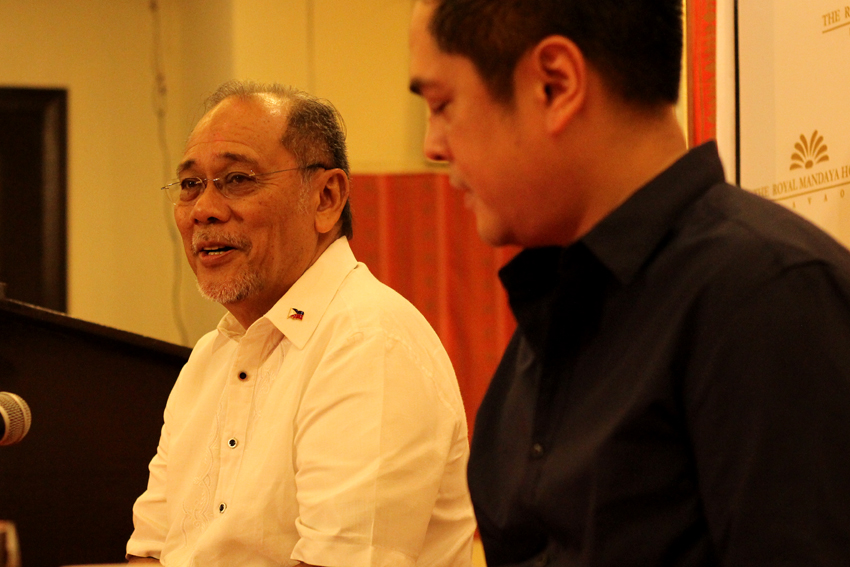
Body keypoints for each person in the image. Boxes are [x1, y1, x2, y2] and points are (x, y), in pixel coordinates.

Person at [409, 1, 850, 565]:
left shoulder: (768, 298)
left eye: (443, 105)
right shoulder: (551, 315)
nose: (432, 146)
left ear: (555, 83)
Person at [126, 81, 476, 566]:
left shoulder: (368, 342)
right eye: (190, 185)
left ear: (326, 198)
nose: (203, 210)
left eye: (237, 179)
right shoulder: (211, 356)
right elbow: (150, 551)